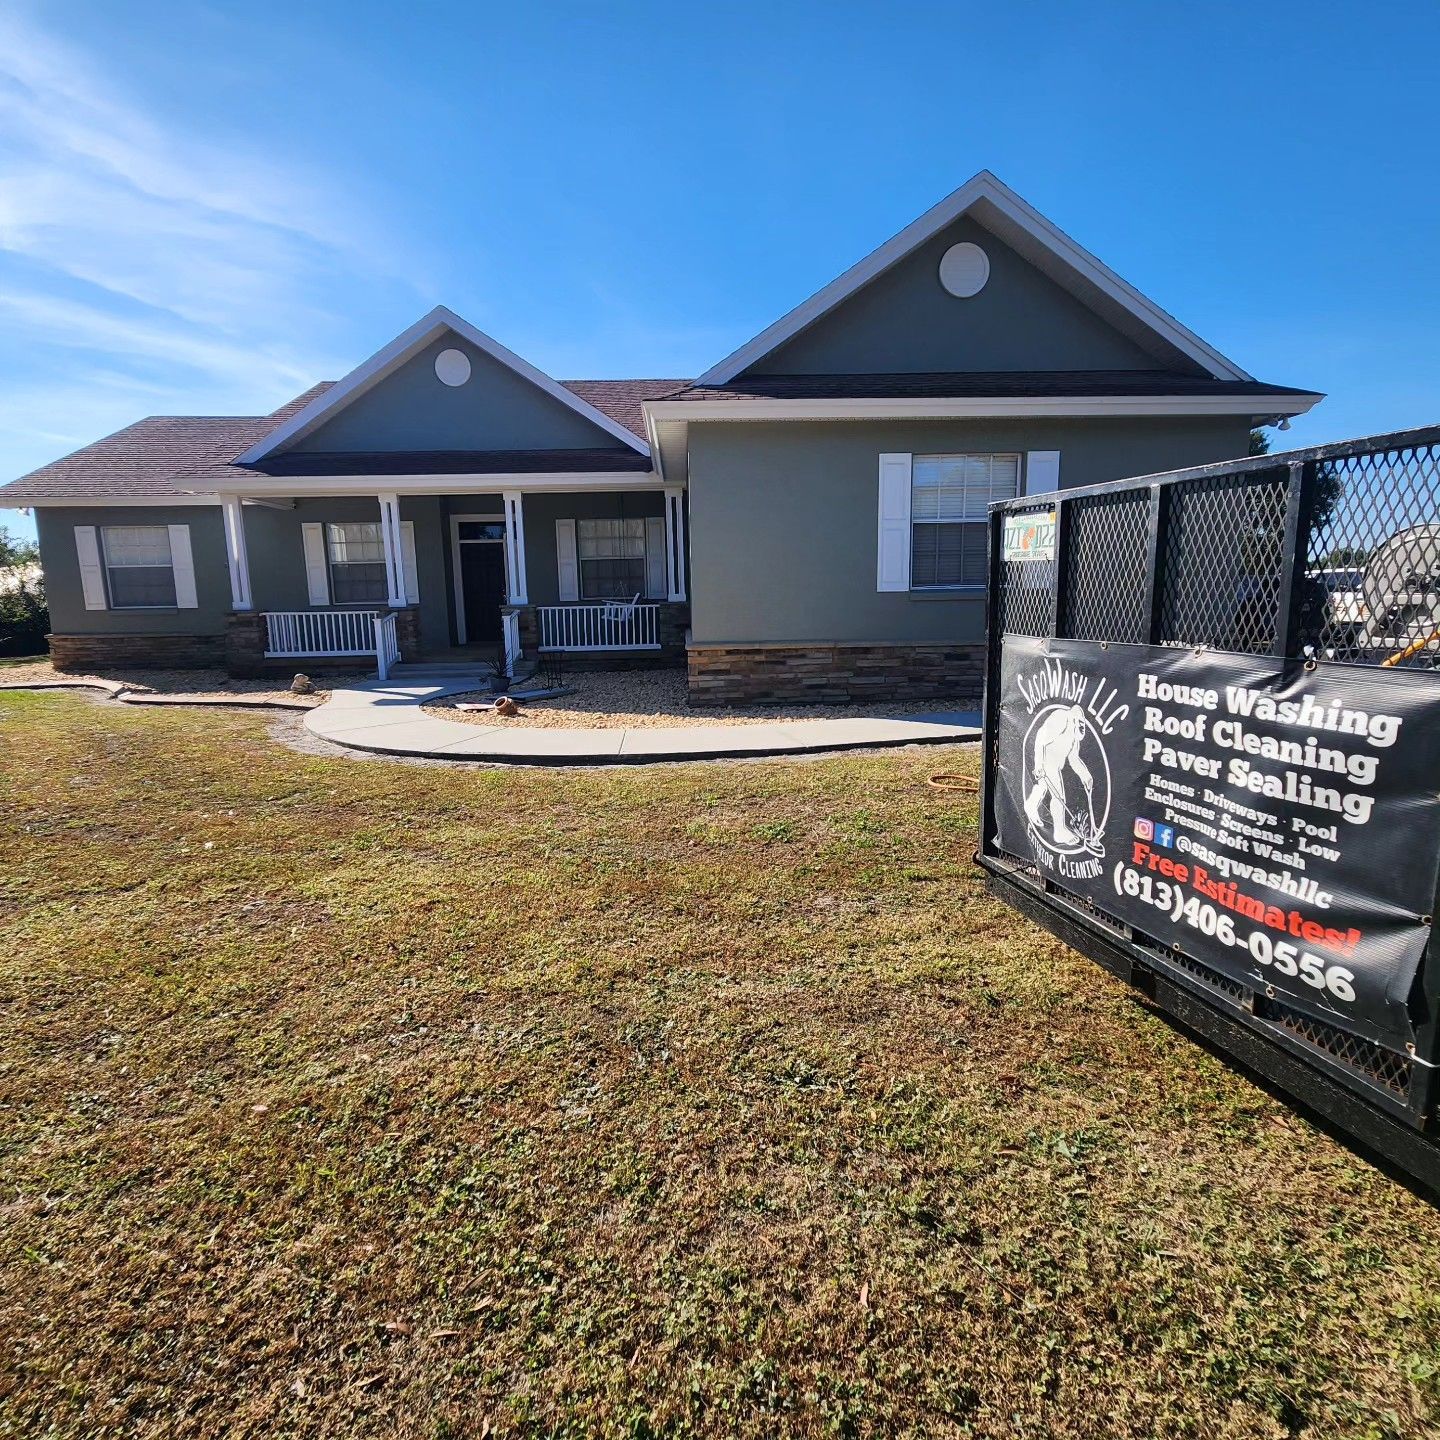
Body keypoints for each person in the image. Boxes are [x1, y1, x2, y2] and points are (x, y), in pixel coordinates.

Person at [1023, 704, 1097, 848]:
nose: (1082, 727)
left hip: (1056, 764)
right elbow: (1041, 738)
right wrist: (1039, 765)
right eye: (1080, 724)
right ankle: (1060, 831)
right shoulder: (1062, 718)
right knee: (1058, 796)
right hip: (1046, 759)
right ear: (1076, 719)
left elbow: (1074, 759)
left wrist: (1086, 776)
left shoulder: (1075, 735)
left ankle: (1030, 805)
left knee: (1043, 786)